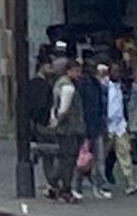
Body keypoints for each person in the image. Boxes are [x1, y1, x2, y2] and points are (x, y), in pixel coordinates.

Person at [44, 58, 85, 202]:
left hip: (63, 128)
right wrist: (57, 121)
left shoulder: (58, 84)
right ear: (68, 71)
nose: (78, 74)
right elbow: (64, 109)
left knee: (65, 158)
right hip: (70, 128)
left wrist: (53, 120)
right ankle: (61, 186)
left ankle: (56, 186)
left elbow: (54, 106)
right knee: (68, 159)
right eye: (76, 71)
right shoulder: (69, 87)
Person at [105, 62, 137, 196]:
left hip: (119, 126)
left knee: (124, 152)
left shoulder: (119, 87)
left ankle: (130, 182)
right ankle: (96, 179)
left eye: (117, 71)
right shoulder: (106, 87)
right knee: (101, 156)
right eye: (114, 71)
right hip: (108, 126)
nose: (116, 73)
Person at [76, 61, 110, 198]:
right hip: (91, 126)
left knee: (87, 159)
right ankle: (93, 186)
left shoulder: (91, 84)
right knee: (90, 159)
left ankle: (90, 185)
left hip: (93, 126)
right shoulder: (88, 85)